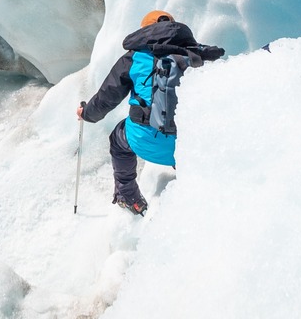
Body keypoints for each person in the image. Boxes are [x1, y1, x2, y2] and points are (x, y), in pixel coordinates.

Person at [77, 11, 224, 215]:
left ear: (145, 31)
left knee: (118, 139)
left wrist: (86, 114)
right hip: (191, 148)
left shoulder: (134, 58)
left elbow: (106, 99)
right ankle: (190, 179)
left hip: (144, 142)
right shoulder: (198, 56)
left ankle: (128, 196)